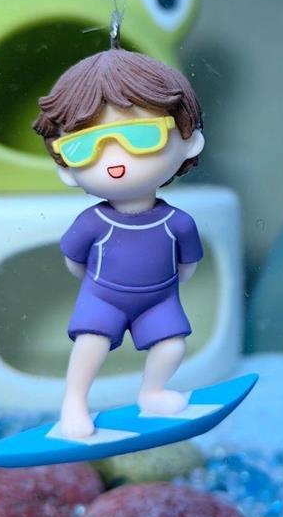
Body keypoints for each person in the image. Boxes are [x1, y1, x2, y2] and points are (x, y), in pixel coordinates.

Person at [33, 49, 205, 439]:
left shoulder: (177, 222)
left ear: (189, 141)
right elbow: (75, 262)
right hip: (103, 296)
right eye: (83, 147)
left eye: (141, 136)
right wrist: (97, 285)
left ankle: (153, 392)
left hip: (160, 299)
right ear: (66, 168)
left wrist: (165, 288)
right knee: (89, 345)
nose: (115, 160)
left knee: (171, 346)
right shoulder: (93, 222)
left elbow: (187, 265)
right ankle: (74, 404)